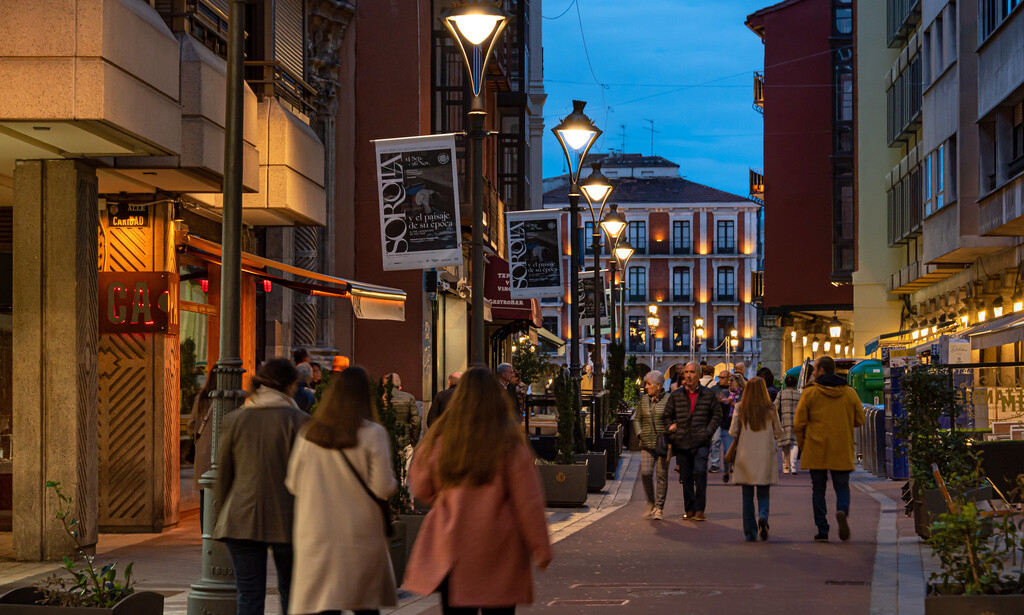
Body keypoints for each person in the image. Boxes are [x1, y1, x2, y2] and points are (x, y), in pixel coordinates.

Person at [404, 367, 552, 614]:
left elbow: (421, 487)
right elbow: (528, 500)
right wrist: (541, 547)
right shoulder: (509, 441)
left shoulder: (442, 439)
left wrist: (445, 498)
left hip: (451, 547)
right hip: (499, 549)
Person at [286, 366, 398, 615]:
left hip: (316, 531)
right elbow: (381, 487)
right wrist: (394, 484)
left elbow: (293, 483)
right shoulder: (373, 433)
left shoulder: (309, 433)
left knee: (325, 603)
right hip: (358, 532)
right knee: (364, 604)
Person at [213, 358, 310, 615]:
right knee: (292, 594)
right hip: (289, 519)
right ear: (289, 386)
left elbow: (224, 475)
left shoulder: (236, 419)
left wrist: (224, 513)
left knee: (249, 596)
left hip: (241, 518)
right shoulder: (300, 421)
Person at [794, 355, 865, 542]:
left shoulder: (810, 393)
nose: (814, 373)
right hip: (841, 447)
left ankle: (822, 529)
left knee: (818, 489)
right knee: (842, 486)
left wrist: (803, 445)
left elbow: (798, 423)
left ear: (821, 371)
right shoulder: (849, 393)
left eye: (815, 369)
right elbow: (860, 419)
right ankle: (842, 510)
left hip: (816, 448)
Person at [662, 362, 723, 521]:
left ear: (699, 375)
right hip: (682, 441)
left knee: (700, 472)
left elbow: (717, 415)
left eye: (692, 372)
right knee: (686, 477)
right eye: (686, 372)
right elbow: (667, 416)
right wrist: (672, 429)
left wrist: (707, 432)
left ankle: (699, 509)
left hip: (701, 441)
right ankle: (689, 509)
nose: (688, 375)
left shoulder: (708, 395)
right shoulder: (676, 395)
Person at [729, 377, 784, 542]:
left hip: (745, 455)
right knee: (763, 492)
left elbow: (733, 431)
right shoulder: (770, 409)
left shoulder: (740, 407)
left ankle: (750, 532)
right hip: (764, 455)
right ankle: (763, 517)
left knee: (747, 496)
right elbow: (779, 432)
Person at [635, 370, 670, 520]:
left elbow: (672, 419)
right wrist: (639, 433)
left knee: (661, 476)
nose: (646, 387)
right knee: (645, 473)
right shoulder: (643, 400)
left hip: (662, 444)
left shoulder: (669, 400)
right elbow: (637, 419)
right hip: (646, 443)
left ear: (658, 385)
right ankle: (650, 501)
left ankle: (659, 508)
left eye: (648, 384)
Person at [186, 367, 215, 529]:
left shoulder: (201, 398)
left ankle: (205, 532)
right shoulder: (226, 400)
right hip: (221, 453)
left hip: (203, 452)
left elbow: (190, 424)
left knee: (205, 494)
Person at [384, 373, 421, 450]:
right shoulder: (409, 398)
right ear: (400, 387)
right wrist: (413, 440)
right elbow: (416, 422)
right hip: (405, 442)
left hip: (384, 442)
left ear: (384, 386)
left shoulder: (380, 399)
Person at [720, 373, 746, 484]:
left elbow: (744, 406)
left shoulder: (744, 394)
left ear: (738, 382)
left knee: (739, 451)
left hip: (740, 426)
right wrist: (722, 402)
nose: (729, 383)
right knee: (728, 450)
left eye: (732, 381)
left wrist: (732, 404)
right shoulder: (725, 393)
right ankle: (726, 471)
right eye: (729, 381)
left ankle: (737, 474)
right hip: (727, 425)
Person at [774, 374, 801, 474]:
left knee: (785, 445)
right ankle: (793, 467)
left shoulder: (781, 394)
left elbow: (774, 407)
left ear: (785, 384)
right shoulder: (799, 395)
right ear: (795, 384)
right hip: (796, 421)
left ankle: (785, 467)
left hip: (784, 421)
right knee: (795, 444)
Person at [707, 370, 731, 473]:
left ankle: (729, 464)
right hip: (716, 419)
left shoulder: (732, 389)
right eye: (719, 377)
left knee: (728, 445)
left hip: (728, 420)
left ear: (728, 379)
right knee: (715, 441)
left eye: (722, 378)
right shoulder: (714, 389)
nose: (720, 380)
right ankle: (715, 464)